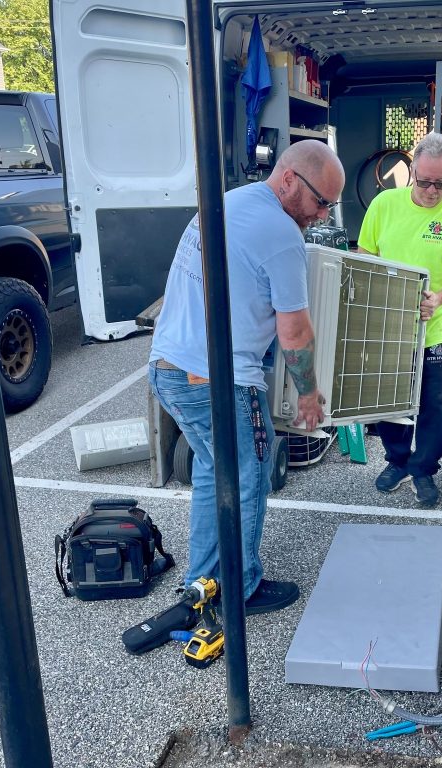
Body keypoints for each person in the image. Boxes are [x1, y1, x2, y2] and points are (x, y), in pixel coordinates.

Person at [149, 139, 345, 614]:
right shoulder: (281, 236)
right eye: (321, 202)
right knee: (248, 477)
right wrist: (309, 394)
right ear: (289, 179)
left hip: (169, 368)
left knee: (215, 471)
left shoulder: (230, 202)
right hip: (220, 382)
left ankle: (203, 582)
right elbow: (295, 331)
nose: (322, 216)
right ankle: (239, 589)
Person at [357, 132, 442, 508]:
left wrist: (440, 297)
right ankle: (396, 461)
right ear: (412, 171)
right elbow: (366, 255)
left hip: (436, 328)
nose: (432, 191)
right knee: (391, 399)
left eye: (441, 184)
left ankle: (424, 468)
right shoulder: (385, 204)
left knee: (434, 404)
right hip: (390, 326)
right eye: (425, 181)